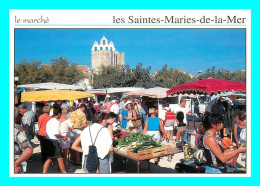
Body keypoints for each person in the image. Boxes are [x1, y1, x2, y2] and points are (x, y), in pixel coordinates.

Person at [43, 108, 68, 173]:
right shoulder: (56, 122)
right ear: (59, 114)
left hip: (48, 141)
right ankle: (64, 173)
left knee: (49, 159)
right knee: (60, 158)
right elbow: (56, 134)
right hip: (54, 141)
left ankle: (44, 173)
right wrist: (63, 137)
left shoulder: (49, 121)